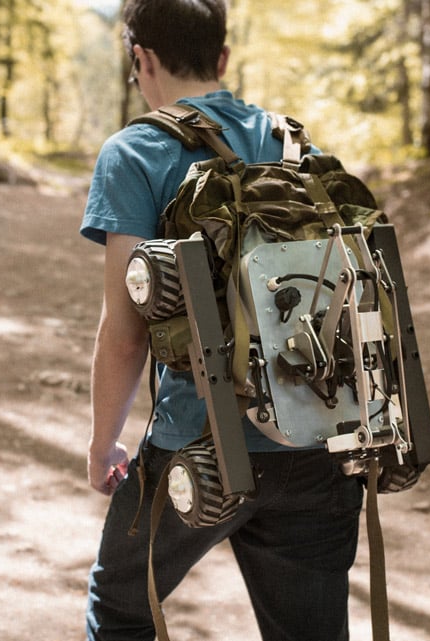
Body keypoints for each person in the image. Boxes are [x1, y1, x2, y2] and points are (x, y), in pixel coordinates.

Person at [79, 1, 364, 639]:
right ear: (223, 59)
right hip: (314, 443)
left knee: (122, 607)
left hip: (198, 446)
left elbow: (125, 331)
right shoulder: (297, 146)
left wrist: (104, 443)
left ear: (140, 59)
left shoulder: (135, 153)